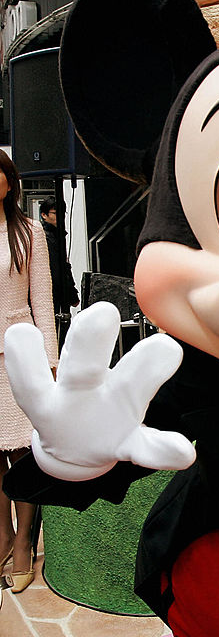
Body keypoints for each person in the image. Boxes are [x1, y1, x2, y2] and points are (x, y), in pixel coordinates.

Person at [0, 152, 57, 593]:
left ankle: (24, 544)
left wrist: (50, 361)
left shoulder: (29, 231)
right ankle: (2, 538)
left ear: (9, 181)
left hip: (18, 355)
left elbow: (43, 301)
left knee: (23, 453)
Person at [39, 197, 79, 347]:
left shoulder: (56, 235)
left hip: (56, 294)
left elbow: (63, 266)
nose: (60, 217)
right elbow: (58, 269)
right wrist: (70, 294)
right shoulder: (47, 237)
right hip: (53, 295)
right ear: (44, 215)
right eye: (56, 213)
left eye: (62, 213)